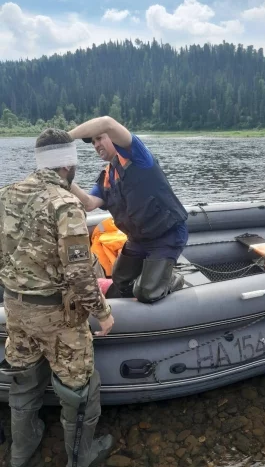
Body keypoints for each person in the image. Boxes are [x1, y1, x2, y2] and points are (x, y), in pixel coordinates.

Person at [0, 128, 115, 467]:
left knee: (23, 379)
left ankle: (21, 451)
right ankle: (80, 457)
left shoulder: (6, 195)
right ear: (68, 166)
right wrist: (104, 312)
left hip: (15, 309)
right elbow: (80, 275)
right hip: (57, 317)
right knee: (79, 389)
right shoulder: (66, 204)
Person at [69, 116, 188, 303]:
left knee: (147, 292)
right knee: (120, 281)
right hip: (138, 239)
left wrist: (66, 137)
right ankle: (151, 275)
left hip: (166, 235)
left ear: (113, 137)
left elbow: (107, 122)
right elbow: (89, 203)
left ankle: (172, 278)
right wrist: (65, 180)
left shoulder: (137, 157)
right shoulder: (107, 176)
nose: (96, 145)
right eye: (93, 142)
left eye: (100, 138)